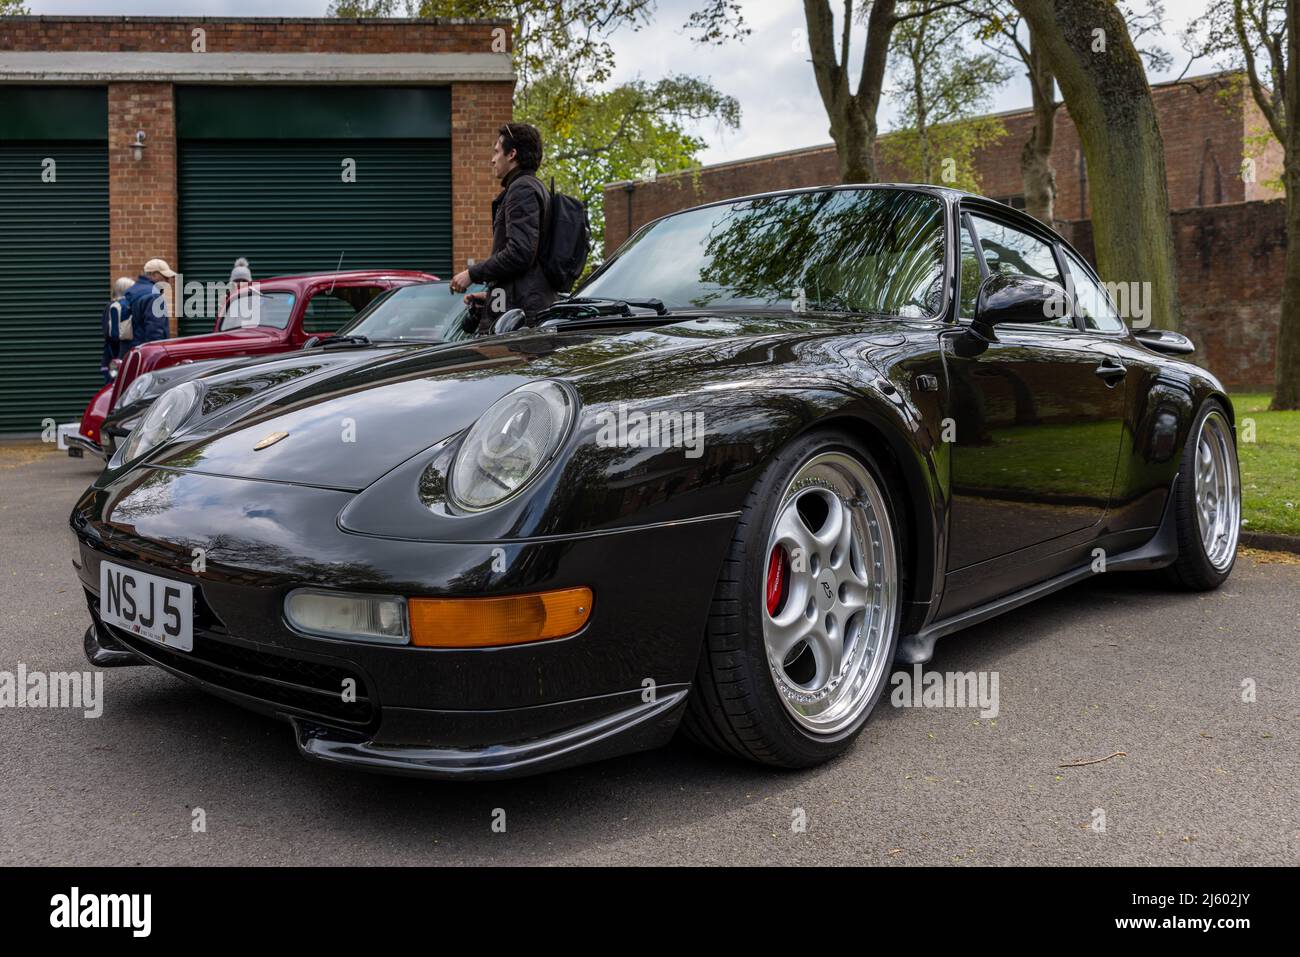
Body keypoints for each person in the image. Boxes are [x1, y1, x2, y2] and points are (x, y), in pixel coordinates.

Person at [449, 122, 556, 328]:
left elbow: (519, 253)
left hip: (521, 316)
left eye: (496, 152)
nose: (492, 160)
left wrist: (472, 273)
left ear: (512, 154)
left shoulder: (522, 190)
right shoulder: (534, 188)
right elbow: (528, 266)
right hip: (523, 304)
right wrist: (492, 295)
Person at [122, 258, 177, 344]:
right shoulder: (154, 296)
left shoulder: (130, 291)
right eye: (165, 277)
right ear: (153, 274)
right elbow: (155, 332)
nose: (168, 282)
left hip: (130, 350)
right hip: (146, 352)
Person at [99, 277, 134, 383]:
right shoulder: (126, 307)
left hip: (110, 358)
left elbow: (106, 331)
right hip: (121, 356)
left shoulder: (110, 306)